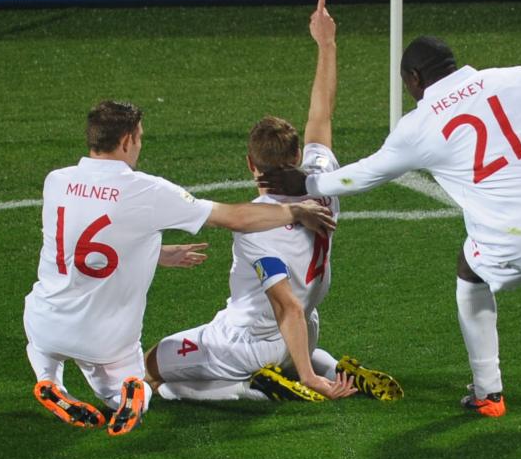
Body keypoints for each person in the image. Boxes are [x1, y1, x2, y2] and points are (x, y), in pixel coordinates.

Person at [257, 35, 521, 416]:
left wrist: (308, 181)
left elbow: (365, 175)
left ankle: (488, 391)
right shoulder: (510, 78)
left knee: (470, 270)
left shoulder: (419, 126)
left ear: (414, 78)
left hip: (520, 242)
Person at [143, 0, 403, 404]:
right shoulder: (322, 180)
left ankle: (255, 388)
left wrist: (306, 377)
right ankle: (333, 367)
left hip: (251, 340)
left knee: (153, 368)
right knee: (291, 344)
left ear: (250, 164)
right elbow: (322, 112)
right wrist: (327, 44)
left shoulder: (256, 226)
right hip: (306, 332)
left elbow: (286, 308)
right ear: (298, 155)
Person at [24, 100, 337, 436]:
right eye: (140, 139)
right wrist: (293, 212)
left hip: (45, 320)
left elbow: (86, 244)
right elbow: (234, 217)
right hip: (105, 340)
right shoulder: (146, 190)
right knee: (135, 385)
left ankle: (48, 380)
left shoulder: (56, 181)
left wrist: (154, 251)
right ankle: (129, 395)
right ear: (127, 141)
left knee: (42, 345)